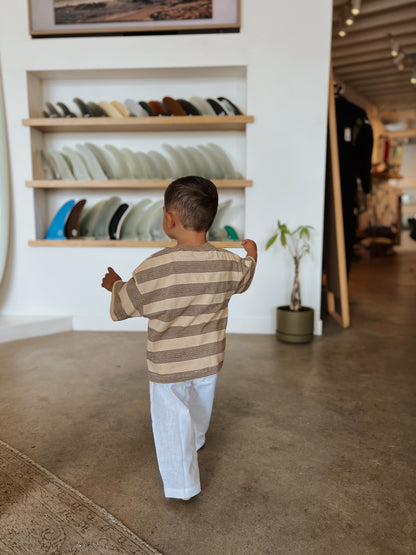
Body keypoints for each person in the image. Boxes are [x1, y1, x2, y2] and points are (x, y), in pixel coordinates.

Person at [101, 176, 257, 501]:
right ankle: (197, 437)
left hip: (168, 366)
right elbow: (244, 277)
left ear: (169, 220)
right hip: (208, 360)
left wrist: (115, 285)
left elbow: (124, 306)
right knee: (200, 406)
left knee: (171, 423)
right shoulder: (227, 263)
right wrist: (251, 255)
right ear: (209, 219)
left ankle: (183, 486)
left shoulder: (156, 267)